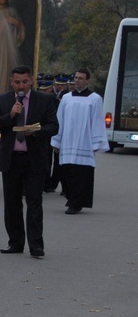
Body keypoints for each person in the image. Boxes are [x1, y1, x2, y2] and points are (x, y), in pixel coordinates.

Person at [0, 65, 58, 257]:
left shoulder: (44, 100)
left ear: (31, 81)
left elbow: (54, 127)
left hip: (34, 159)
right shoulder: (3, 100)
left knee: (34, 202)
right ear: (11, 82)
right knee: (12, 203)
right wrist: (10, 116)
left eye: (25, 82)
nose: (21, 86)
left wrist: (36, 131)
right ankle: (15, 242)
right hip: (11, 160)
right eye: (17, 82)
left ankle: (36, 245)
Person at [51, 68, 109, 215]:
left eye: (81, 78)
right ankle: (71, 199)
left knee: (81, 174)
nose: (77, 80)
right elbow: (60, 120)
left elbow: (97, 121)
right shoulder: (66, 98)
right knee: (67, 172)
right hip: (68, 141)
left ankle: (76, 204)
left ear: (87, 80)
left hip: (84, 142)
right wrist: (56, 141)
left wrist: (96, 143)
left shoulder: (95, 99)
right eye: (76, 78)